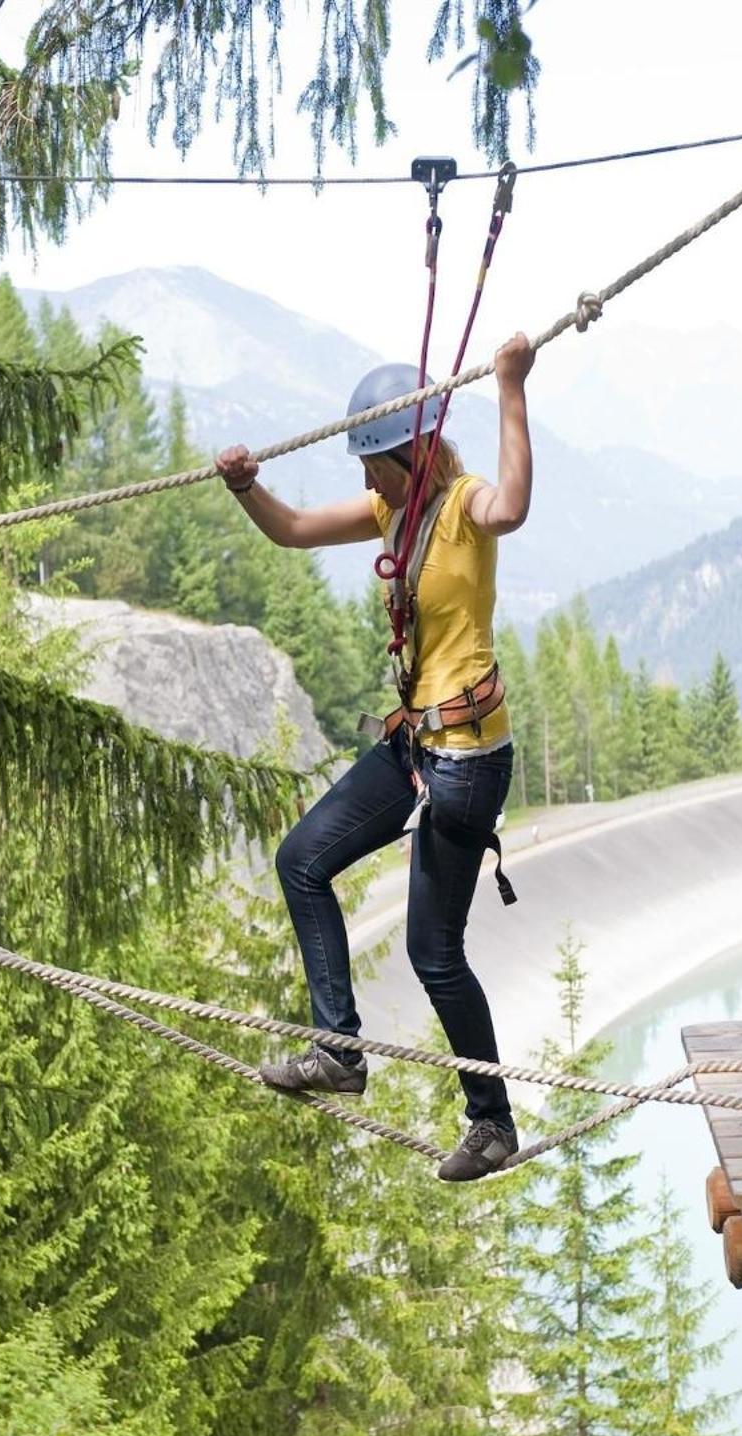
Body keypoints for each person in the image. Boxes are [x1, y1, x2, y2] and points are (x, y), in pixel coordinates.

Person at [214, 333, 535, 1182]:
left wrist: (511, 388)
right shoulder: (394, 510)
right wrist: (248, 487)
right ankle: (339, 1052)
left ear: (413, 452)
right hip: (416, 743)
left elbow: (515, 505)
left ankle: (493, 1123)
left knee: (433, 953)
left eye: (374, 466)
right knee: (302, 860)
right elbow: (289, 531)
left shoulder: (464, 504)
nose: (365, 483)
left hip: (466, 758)